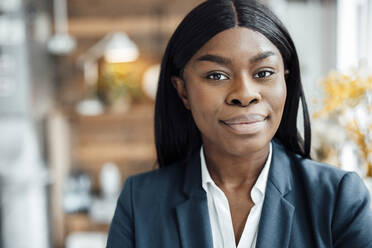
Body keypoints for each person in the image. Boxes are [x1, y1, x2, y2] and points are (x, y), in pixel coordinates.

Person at [107, 0, 372, 247]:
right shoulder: (139, 201)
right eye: (216, 75)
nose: (245, 94)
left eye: (264, 73)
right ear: (183, 91)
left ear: (285, 81)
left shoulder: (338, 198)